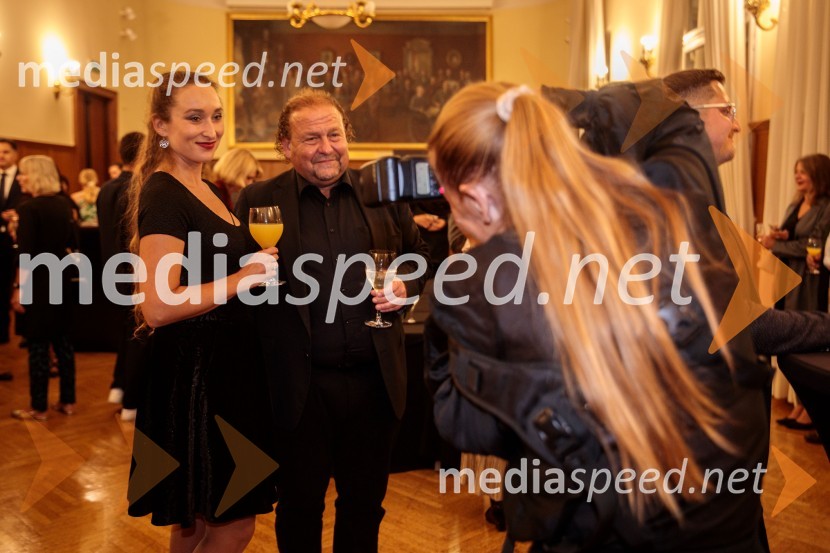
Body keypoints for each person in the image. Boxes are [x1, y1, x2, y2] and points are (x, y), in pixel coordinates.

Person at [426, 82, 770, 551]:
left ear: (479, 199)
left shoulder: (482, 289)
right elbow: (672, 116)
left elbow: (462, 423)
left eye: (447, 194)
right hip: (724, 526)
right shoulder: (674, 215)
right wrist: (546, 102)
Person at [235, 88, 430, 553]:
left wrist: (404, 285)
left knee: (365, 505)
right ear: (284, 146)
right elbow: (232, 285)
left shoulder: (382, 193)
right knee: (300, 507)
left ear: (348, 138)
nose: (326, 147)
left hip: (374, 383)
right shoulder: (258, 200)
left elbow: (420, 258)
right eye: (310, 139)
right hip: (300, 388)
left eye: (334, 134)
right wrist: (248, 271)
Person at [125, 71, 278, 553]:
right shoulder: (165, 191)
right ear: (160, 125)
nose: (210, 128)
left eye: (216, 116)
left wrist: (250, 268)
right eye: (194, 117)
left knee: (192, 522)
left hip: (222, 376)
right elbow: (158, 304)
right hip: (196, 381)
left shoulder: (208, 187)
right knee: (234, 524)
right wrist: (241, 279)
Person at [10, 155, 78, 421]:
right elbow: (73, 243)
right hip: (61, 278)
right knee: (63, 343)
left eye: (23, 173)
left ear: (35, 175)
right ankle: (68, 400)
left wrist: (18, 288)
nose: (19, 178)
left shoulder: (28, 209)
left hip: (37, 282)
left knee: (38, 345)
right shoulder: (64, 205)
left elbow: (25, 255)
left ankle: (38, 407)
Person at [97, 131, 147, 419]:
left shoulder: (107, 188)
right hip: (131, 270)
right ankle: (132, 401)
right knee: (138, 335)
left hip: (112, 270)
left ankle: (119, 386)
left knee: (127, 332)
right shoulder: (136, 187)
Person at [0, 138, 30, 359]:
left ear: (15, 154)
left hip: (20, 243)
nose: (1, 156)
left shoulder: (24, 178)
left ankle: (25, 332)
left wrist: (18, 216)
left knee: (22, 287)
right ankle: (2, 333)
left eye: (6, 152)